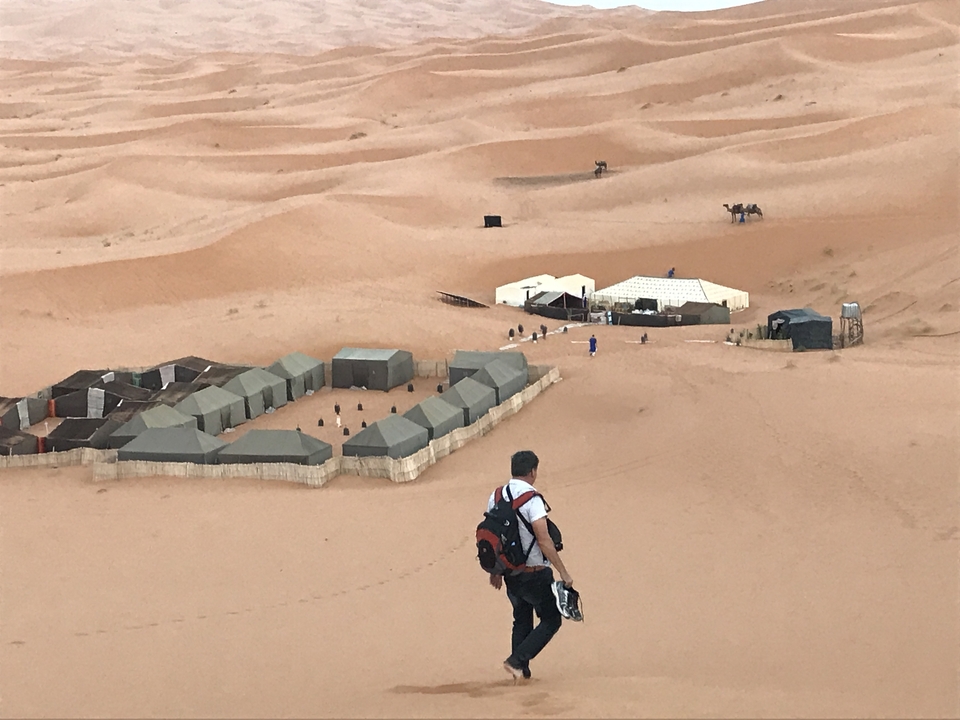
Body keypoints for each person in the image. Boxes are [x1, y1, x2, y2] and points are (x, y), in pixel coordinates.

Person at [489, 450, 573, 682]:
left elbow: (493, 535)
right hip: (534, 572)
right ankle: (517, 661)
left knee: (522, 618)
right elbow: (544, 539)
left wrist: (496, 570)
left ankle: (521, 673)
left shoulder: (497, 496)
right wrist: (563, 572)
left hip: (510, 572)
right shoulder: (532, 500)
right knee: (552, 619)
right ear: (533, 471)